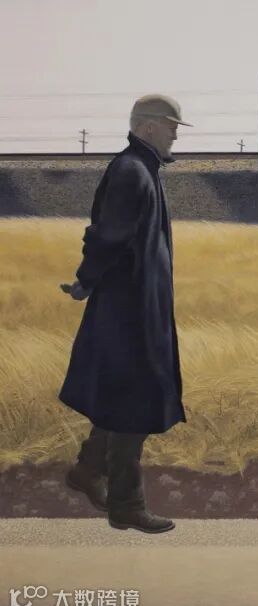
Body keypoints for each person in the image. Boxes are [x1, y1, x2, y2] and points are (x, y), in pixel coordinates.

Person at [58, 94, 192, 534]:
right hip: (128, 313)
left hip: (135, 307)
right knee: (132, 404)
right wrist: (85, 281)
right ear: (149, 127)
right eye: (172, 127)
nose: (175, 135)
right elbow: (107, 237)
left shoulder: (140, 169)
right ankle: (126, 505)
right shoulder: (132, 171)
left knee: (121, 396)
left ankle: (87, 472)